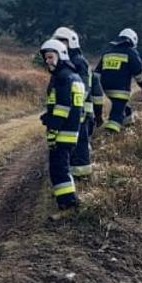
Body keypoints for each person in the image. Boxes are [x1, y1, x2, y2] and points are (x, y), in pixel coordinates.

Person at [38, 39, 85, 209]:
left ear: (61, 55)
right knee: (61, 167)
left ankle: (69, 205)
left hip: (63, 132)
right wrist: (48, 116)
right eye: (46, 58)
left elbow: (63, 107)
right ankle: (67, 203)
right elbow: (73, 106)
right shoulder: (74, 76)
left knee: (59, 169)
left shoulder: (63, 78)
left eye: (50, 57)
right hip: (71, 131)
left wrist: (53, 128)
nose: (47, 61)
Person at [54, 26, 100, 180]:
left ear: (72, 42)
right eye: (58, 41)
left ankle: (82, 179)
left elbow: (84, 88)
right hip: (72, 111)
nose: (60, 44)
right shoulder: (64, 62)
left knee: (80, 146)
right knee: (71, 146)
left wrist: (73, 105)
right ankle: (73, 176)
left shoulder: (79, 62)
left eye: (63, 41)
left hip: (81, 112)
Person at [97, 28, 142, 133]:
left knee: (124, 106)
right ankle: (110, 134)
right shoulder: (131, 52)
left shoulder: (108, 51)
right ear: (133, 41)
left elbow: (97, 72)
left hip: (105, 88)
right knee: (117, 113)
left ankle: (129, 127)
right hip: (121, 89)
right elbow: (139, 74)